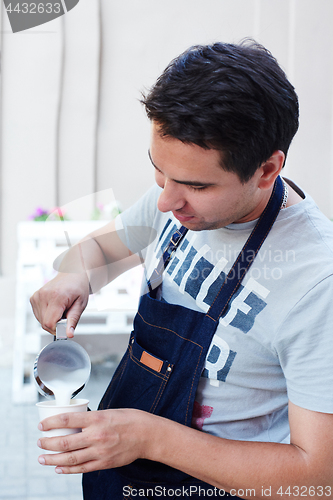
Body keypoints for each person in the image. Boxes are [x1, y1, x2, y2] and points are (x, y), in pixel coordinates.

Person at [30, 40, 333, 499]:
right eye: (159, 171)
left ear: (267, 169)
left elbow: (316, 479)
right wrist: (73, 272)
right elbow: (104, 250)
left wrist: (150, 438)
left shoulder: (316, 283)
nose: (167, 201)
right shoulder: (176, 200)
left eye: (195, 184)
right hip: (126, 475)